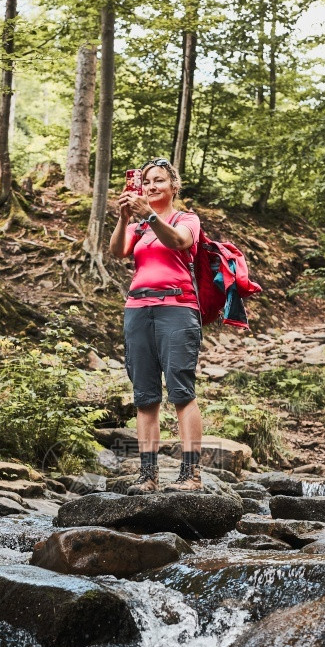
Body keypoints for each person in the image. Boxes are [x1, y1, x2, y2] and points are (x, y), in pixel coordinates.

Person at [109, 158, 203, 494]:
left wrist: (148, 214)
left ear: (173, 187)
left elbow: (179, 242)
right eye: (146, 181)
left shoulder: (185, 219)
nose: (151, 186)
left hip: (177, 308)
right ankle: (147, 476)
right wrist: (124, 218)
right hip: (138, 308)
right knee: (145, 396)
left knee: (181, 391)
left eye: (159, 181)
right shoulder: (138, 227)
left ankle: (191, 475)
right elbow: (117, 250)